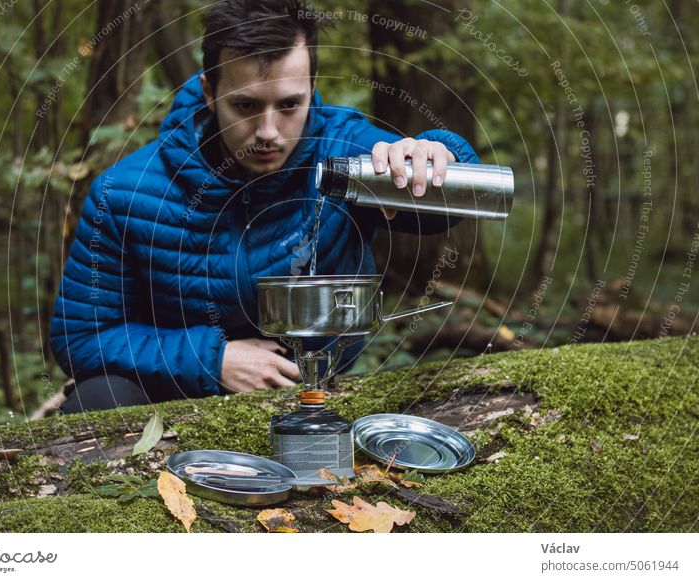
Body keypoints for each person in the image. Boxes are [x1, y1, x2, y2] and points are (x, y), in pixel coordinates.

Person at [51, 0, 478, 414]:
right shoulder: (126, 193)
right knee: (100, 397)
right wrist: (211, 359)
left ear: (312, 88)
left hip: (314, 396)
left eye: (290, 105)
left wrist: (440, 157)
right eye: (246, 105)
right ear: (209, 91)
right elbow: (81, 337)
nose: (268, 132)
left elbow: (437, 210)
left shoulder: (343, 151)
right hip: (168, 396)